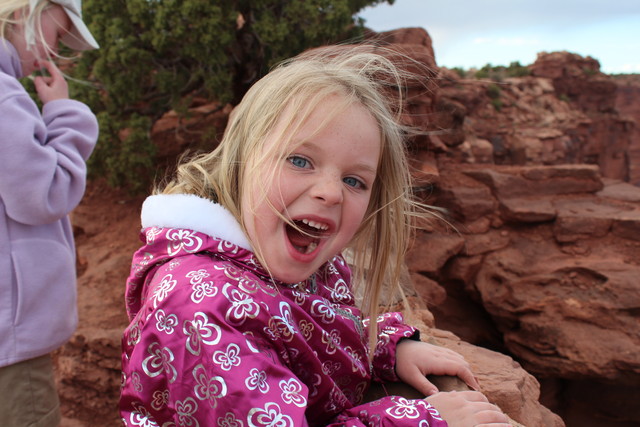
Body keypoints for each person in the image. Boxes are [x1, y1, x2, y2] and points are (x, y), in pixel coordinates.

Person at [120, 46, 511, 426]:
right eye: (300, 160)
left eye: (354, 180)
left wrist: (384, 348)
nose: (331, 192)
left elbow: (313, 331)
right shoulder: (202, 305)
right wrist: (421, 420)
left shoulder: (292, 252)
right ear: (241, 158)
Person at [0, 0, 99, 425]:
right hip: (10, 339)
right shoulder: (4, 96)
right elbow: (43, 194)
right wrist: (65, 111)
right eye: (57, 34)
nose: (52, 54)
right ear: (26, 12)